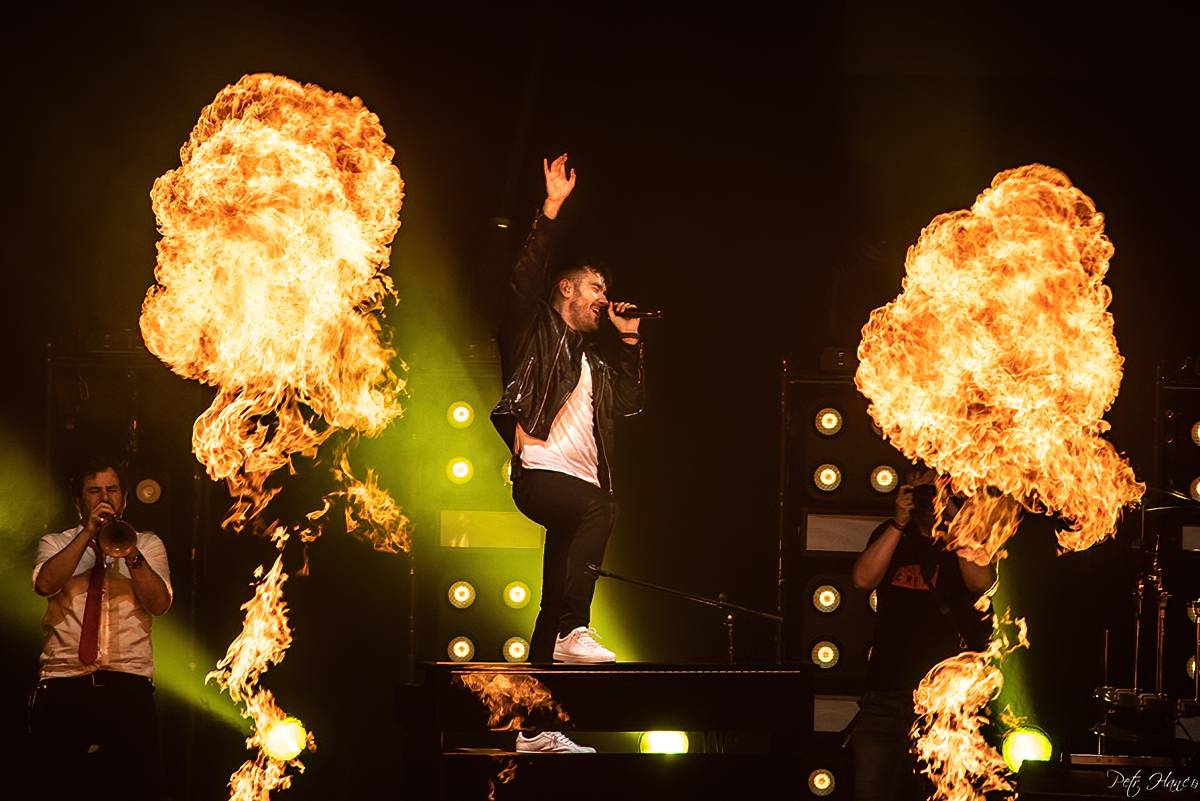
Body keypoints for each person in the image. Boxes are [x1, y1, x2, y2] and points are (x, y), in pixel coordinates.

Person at [490, 154, 646, 753]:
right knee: (602, 509)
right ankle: (573, 629)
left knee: (551, 600)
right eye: (596, 289)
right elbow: (522, 280)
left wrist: (629, 340)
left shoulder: (594, 363)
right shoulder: (533, 333)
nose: (605, 298)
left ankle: (536, 729)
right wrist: (551, 210)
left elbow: (630, 403)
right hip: (543, 474)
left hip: (577, 482)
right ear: (567, 289)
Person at [28, 459, 173, 799]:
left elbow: (160, 603)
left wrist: (130, 552)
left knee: (136, 789)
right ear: (78, 501)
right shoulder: (55, 543)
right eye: (94, 491)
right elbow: (45, 584)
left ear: (125, 498)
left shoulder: (147, 544)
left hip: (128, 684)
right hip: (64, 683)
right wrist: (88, 534)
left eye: (112, 490)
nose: (105, 498)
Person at [849, 466, 995, 801]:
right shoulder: (891, 534)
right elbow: (862, 580)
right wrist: (898, 522)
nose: (928, 498)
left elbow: (981, 583)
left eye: (934, 489)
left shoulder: (964, 539)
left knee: (944, 793)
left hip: (948, 703)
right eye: (920, 490)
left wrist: (954, 517)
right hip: (886, 696)